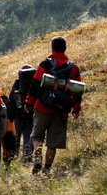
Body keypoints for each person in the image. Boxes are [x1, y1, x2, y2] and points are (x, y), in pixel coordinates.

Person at [24, 36, 83, 175]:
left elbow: (36, 83)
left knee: (37, 136)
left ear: (52, 47)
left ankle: (37, 159)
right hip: (61, 109)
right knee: (53, 142)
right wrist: (76, 109)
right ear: (65, 48)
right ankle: (47, 169)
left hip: (42, 106)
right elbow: (77, 90)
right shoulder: (73, 67)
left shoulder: (46, 64)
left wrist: (29, 102)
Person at [9, 64, 36, 163]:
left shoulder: (17, 84)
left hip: (18, 116)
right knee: (28, 137)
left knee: (16, 137)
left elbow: (11, 101)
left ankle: (13, 157)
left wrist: (11, 116)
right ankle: (27, 159)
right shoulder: (35, 84)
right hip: (31, 115)